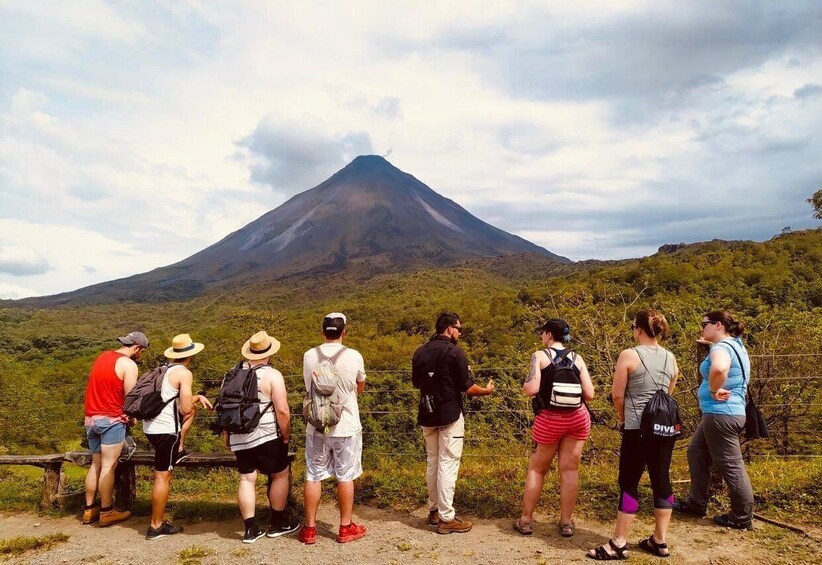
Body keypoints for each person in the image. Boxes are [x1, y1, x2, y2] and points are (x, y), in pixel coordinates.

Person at [587, 310, 679, 560]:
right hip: (664, 428)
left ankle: (618, 542)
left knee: (629, 483)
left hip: (637, 427)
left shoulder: (629, 354)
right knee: (662, 479)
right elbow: (669, 389)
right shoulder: (671, 357)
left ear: (638, 329)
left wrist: (622, 415)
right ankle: (659, 541)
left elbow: (618, 394)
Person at [411, 312, 495, 535]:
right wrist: (487, 390)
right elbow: (468, 388)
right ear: (449, 329)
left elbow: (416, 382)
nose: (460, 333)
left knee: (433, 462)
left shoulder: (420, 352)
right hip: (450, 414)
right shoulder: (455, 353)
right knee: (448, 464)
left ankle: (434, 510)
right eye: (459, 329)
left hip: (426, 414)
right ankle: (447, 518)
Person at [674, 310, 754, 530]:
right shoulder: (735, 345)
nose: (702, 328)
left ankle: (741, 516)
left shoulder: (721, 348)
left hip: (721, 413)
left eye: (704, 324)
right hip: (726, 412)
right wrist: (710, 345)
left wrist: (713, 388)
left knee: (731, 465)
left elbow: (719, 368)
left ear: (718, 325)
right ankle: (695, 503)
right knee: (696, 451)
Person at [515, 318, 594, 538]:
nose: (542, 337)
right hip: (577, 419)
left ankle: (526, 520)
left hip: (550, 419)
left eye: (543, 333)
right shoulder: (577, 358)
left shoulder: (540, 356)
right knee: (569, 470)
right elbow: (590, 394)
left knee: (537, 469)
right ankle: (566, 522)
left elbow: (531, 389)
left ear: (549, 335)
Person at [298, 313, 368, 545]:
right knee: (345, 476)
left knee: (313, 475)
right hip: (346, 426)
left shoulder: (309, 355)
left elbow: (308, 386)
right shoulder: (353, 355)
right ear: (344, 332)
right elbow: (360, 387)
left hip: (316, 426)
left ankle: (309, 530)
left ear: (322, 332)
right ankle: (345, 527)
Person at [226, 331, 299, 543]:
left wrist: (228, 435)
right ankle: (277, 524)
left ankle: (250, 530)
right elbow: (283, 411)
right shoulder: (272, 375)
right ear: (269, 353)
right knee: (279, 474)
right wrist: (286, 434)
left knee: (246, 479)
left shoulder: (231, 374)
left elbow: (225, 408)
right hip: (267, 435)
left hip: (239, 434)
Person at [143, 333, 212, 540]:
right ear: (191, 355)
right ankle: (155, 526)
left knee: (162, 473)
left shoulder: (162, 370)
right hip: (167, 432)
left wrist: (196, 397)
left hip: (151, 429)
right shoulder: (184, 373)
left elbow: (168, 398)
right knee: (163, 476)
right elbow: (185, 409)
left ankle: (179, 448)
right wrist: (193, 400)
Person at [82, 331, 148, 527]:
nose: (140, 355)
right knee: (109, 466)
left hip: (91, 419)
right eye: (141, 351)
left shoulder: (102, 357)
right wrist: (133, 418)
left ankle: (88, 510)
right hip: (111, 419)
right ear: (137, 348)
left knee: (96, 464)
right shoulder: (128, 365)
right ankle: (106, 511)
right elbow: (131, 398)